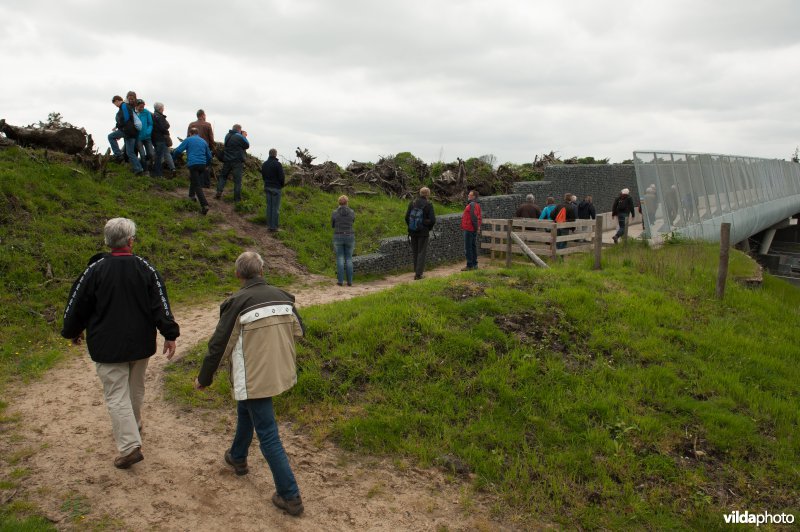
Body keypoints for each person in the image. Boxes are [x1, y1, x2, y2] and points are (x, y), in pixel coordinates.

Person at [60, 217, 179, 469]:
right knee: (134, 389)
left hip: (106, 345)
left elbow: (77, 305)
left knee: (117, 394)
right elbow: (161, 305)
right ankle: (133, 427)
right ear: (130, 241)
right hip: (140, 343)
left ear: (107, 241)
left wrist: (72, 330)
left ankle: (129, 446)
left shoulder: (94, 270)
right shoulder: (146, 268)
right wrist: (169, 333)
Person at [195, 251, 304, 517]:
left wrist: (204, 378)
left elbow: (219, 344)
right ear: (262, 271)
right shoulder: (284, 296)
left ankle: (290, 496)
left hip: (254, 374)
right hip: (278, 369)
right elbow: (300, 330)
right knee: (246, 410)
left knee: (267, 433)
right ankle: (238, 456)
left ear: (238, 275)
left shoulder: (237, 302)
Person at [172, 128, 213, 215]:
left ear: (190, 133)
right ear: (197, 133)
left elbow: (178, 150)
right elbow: (209, 156)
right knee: (194, 180)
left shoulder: (188, 140)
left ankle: (204, 205)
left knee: (197, 185)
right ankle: (191, 196)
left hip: (193, 164)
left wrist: (173, 159)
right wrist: (207, 165)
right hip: (202, 165)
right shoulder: (203, 141)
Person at [108, 94, 144, 175]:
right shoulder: (127, 106)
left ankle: (118, 155)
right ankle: (139, 169)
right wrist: (117, 126)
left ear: (117, 101)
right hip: (132, 132)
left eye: (115, 103)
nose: (115, 105)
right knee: (130, 152)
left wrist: (120, 128)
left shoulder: (124, 105)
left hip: (126, 130)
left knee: (110, 136)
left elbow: (126, 118)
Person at [405, 186, 436, 280]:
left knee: (415, 251)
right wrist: (428, 227)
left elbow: (406, 217)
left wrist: (411, 227)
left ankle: (416, 270)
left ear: (420, 193)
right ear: (428, 194)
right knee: (421, 252)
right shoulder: (428, 204)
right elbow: (432, 220)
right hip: (423, 232)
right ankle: (418, 274)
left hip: (413, 231)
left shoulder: (412, 203)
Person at [216, 125, 250, 202]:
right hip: (237, 162)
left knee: (223, 177)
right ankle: (237, 199)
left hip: (227, 160)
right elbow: (247, 145)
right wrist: (244, 136)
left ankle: (219, 191)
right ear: (239, 130)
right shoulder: (239, 136)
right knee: (237, 180)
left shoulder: (227, 135)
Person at [332, 195, 356, 286]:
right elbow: (352, 221)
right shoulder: (352, 212)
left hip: (338, 236)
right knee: (349, 258)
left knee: (340, 258)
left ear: (339, 202)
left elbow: (333, 225)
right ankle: (350, 281)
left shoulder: (334, 212)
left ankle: (340, 281)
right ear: (347, 202)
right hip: (350, 236)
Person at [187, 109, 215, 188]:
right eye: (205, 115)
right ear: (202, 115)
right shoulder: (208, 125)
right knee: (205, 166)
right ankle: (206, 184)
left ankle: (197, 183)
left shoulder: (191, 124)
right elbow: (211, 138)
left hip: (193, 148)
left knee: (195, 166)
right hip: (205, 148)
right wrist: (213, 148)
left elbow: (188, 137)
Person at [261, 148, 285, 231]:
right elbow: (281, 177)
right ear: (275, 154)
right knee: (275, 208)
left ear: (269, 154)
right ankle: (274, 227)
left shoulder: (264, 164)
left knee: (269, 207)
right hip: (276, 188)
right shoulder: (278, 164)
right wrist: (281, 185)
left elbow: (263, 176)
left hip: (267, 186)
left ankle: (269, 226)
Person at [151, 102, 175, 178]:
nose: (163, 109)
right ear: (160, 108)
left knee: (163, 154)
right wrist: (166, 132)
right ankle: (159, 174)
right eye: (163, 107)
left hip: (155, 138)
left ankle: (171, 169)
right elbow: (164, 127)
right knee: (160, 156)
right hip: (160, 138)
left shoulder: (153, 115)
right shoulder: (159, 116)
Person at [460, 189, 482, 271]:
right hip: (472, 229)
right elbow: (479, 217)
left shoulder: (472, 205)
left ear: (474, 197)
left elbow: (474, 218)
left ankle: (469, 265)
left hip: (469, 229)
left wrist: (476, 228)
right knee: (473, 247)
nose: (468, 195)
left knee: (468, 247)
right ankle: (475, 264)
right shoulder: (477, 205)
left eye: (470, 195)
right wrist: (477, 227)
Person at [135, 99, 154, 174]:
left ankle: (146, 164)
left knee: (151, 154)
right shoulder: (133, 113)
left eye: (143, 107)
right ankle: (146, 170)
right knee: (142, 154)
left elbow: (150, 123)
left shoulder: (146, 112)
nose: (142, 108)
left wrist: (148, 131)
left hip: (147, 137)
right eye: (140, 107)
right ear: (136, 106)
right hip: (138, 138)